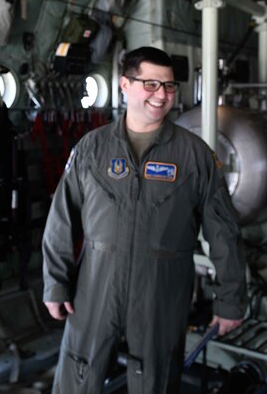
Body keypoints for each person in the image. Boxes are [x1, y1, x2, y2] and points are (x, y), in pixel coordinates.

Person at [42, 46, 247, 393]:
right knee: (79, 371)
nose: (161, 95)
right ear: (124, 84)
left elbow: (223, 230)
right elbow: (62, 219)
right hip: (96, 281)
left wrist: (230, 300)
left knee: (155, 378)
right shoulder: (92, 149)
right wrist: (55, 283)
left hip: (163, 286)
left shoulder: (194, 155)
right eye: (150, 84)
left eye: (169, 86)